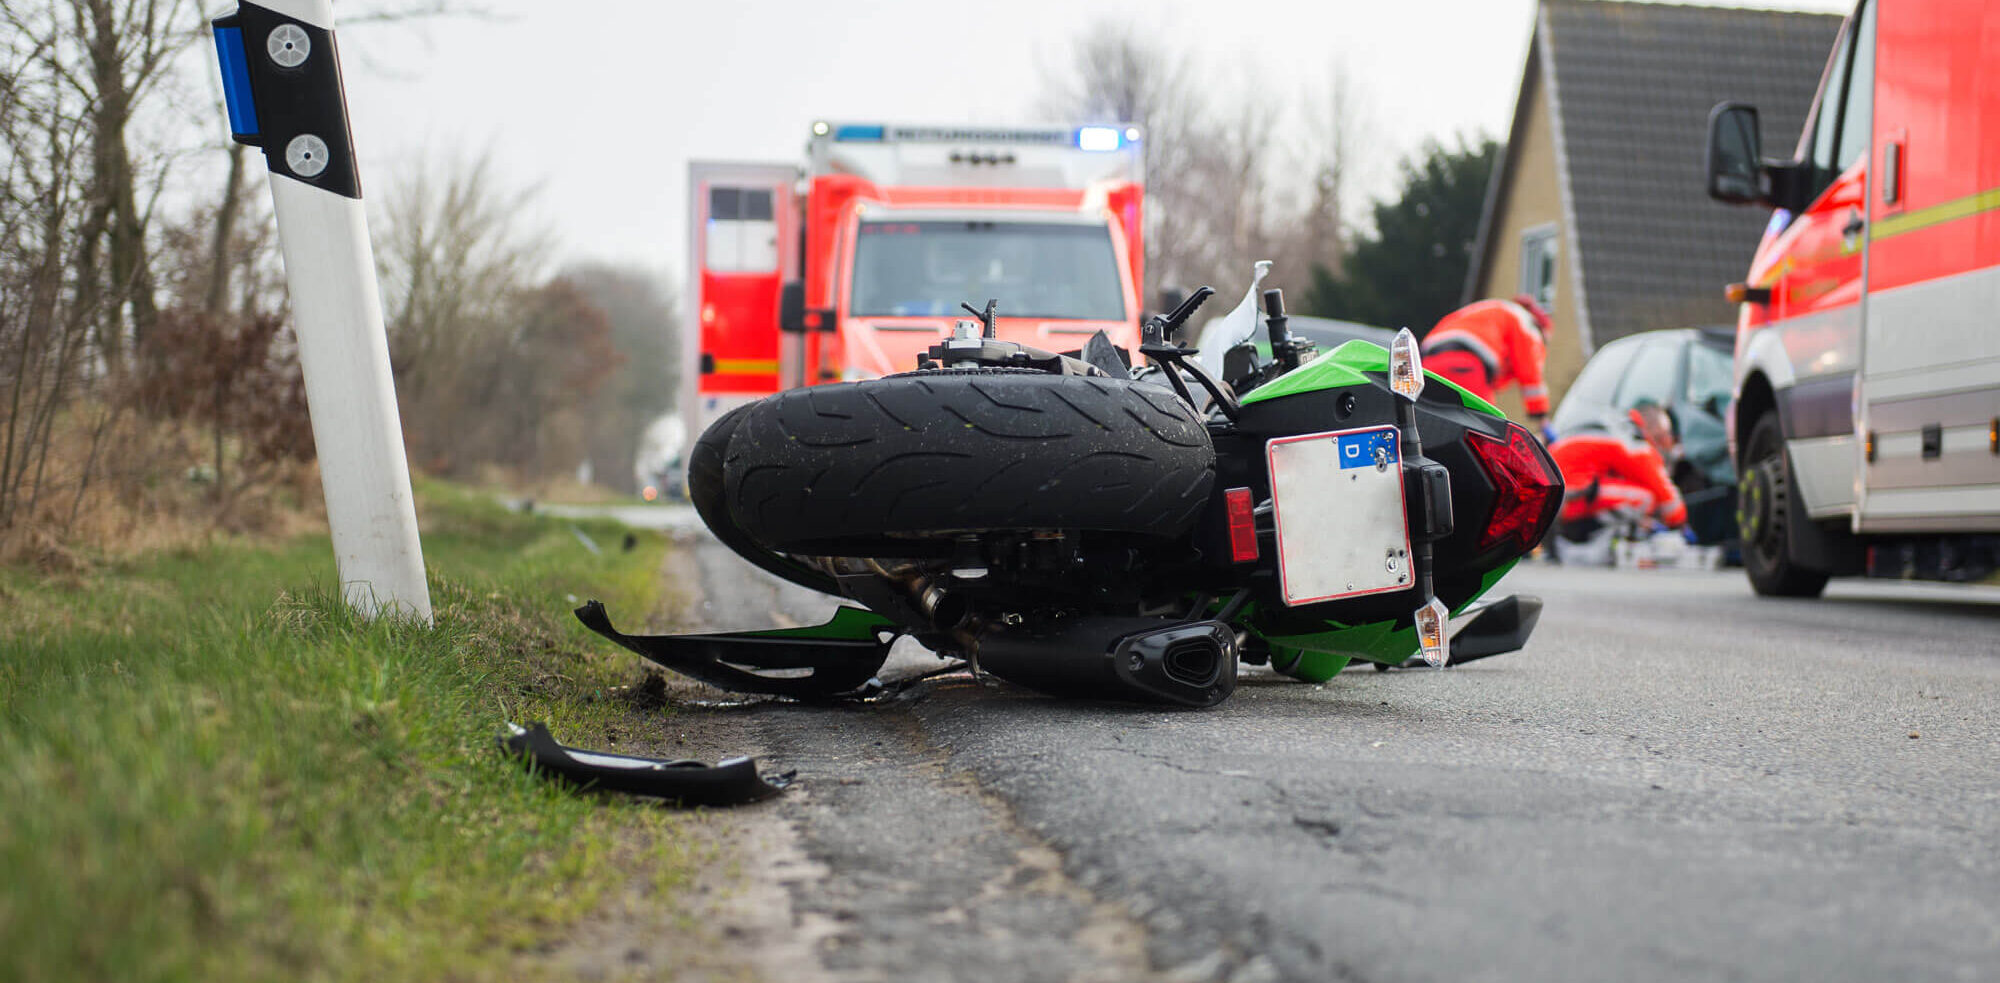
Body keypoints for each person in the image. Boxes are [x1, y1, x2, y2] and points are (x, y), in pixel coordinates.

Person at [1547, 402, 1687, 562]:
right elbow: (1666, 496)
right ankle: (1592, 539)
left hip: (1557, 493)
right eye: (1665, 435)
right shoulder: (1635, 443)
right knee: (1645, 498)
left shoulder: (1617, 427)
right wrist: (1679, 526)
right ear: (1653, 429)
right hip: (1570, 496)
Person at [1421, 295, 1552, 434]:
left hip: (1429, 365)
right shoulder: (1525, 321)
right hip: (1466, 367)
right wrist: (1541, 418)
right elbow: (1530, 372)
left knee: (1428, 427)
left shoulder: (1493, 309)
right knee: (1484, 433)